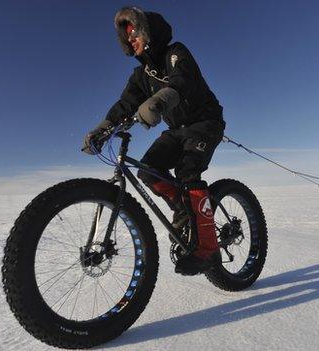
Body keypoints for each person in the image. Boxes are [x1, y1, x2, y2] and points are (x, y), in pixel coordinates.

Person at [82, 6, 225, 276]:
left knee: (188, 173)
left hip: (205, 123)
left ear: (149, 32)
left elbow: (184, 80)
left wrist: (159, 101)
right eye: (127, 40)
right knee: (148, 169)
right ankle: (183, 209)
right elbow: (125, 104)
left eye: (134, 34)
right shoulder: (140, 76)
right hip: (177, 130)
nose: (131, 42)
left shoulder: (176, 53)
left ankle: (208, 249)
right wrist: (103, 128)